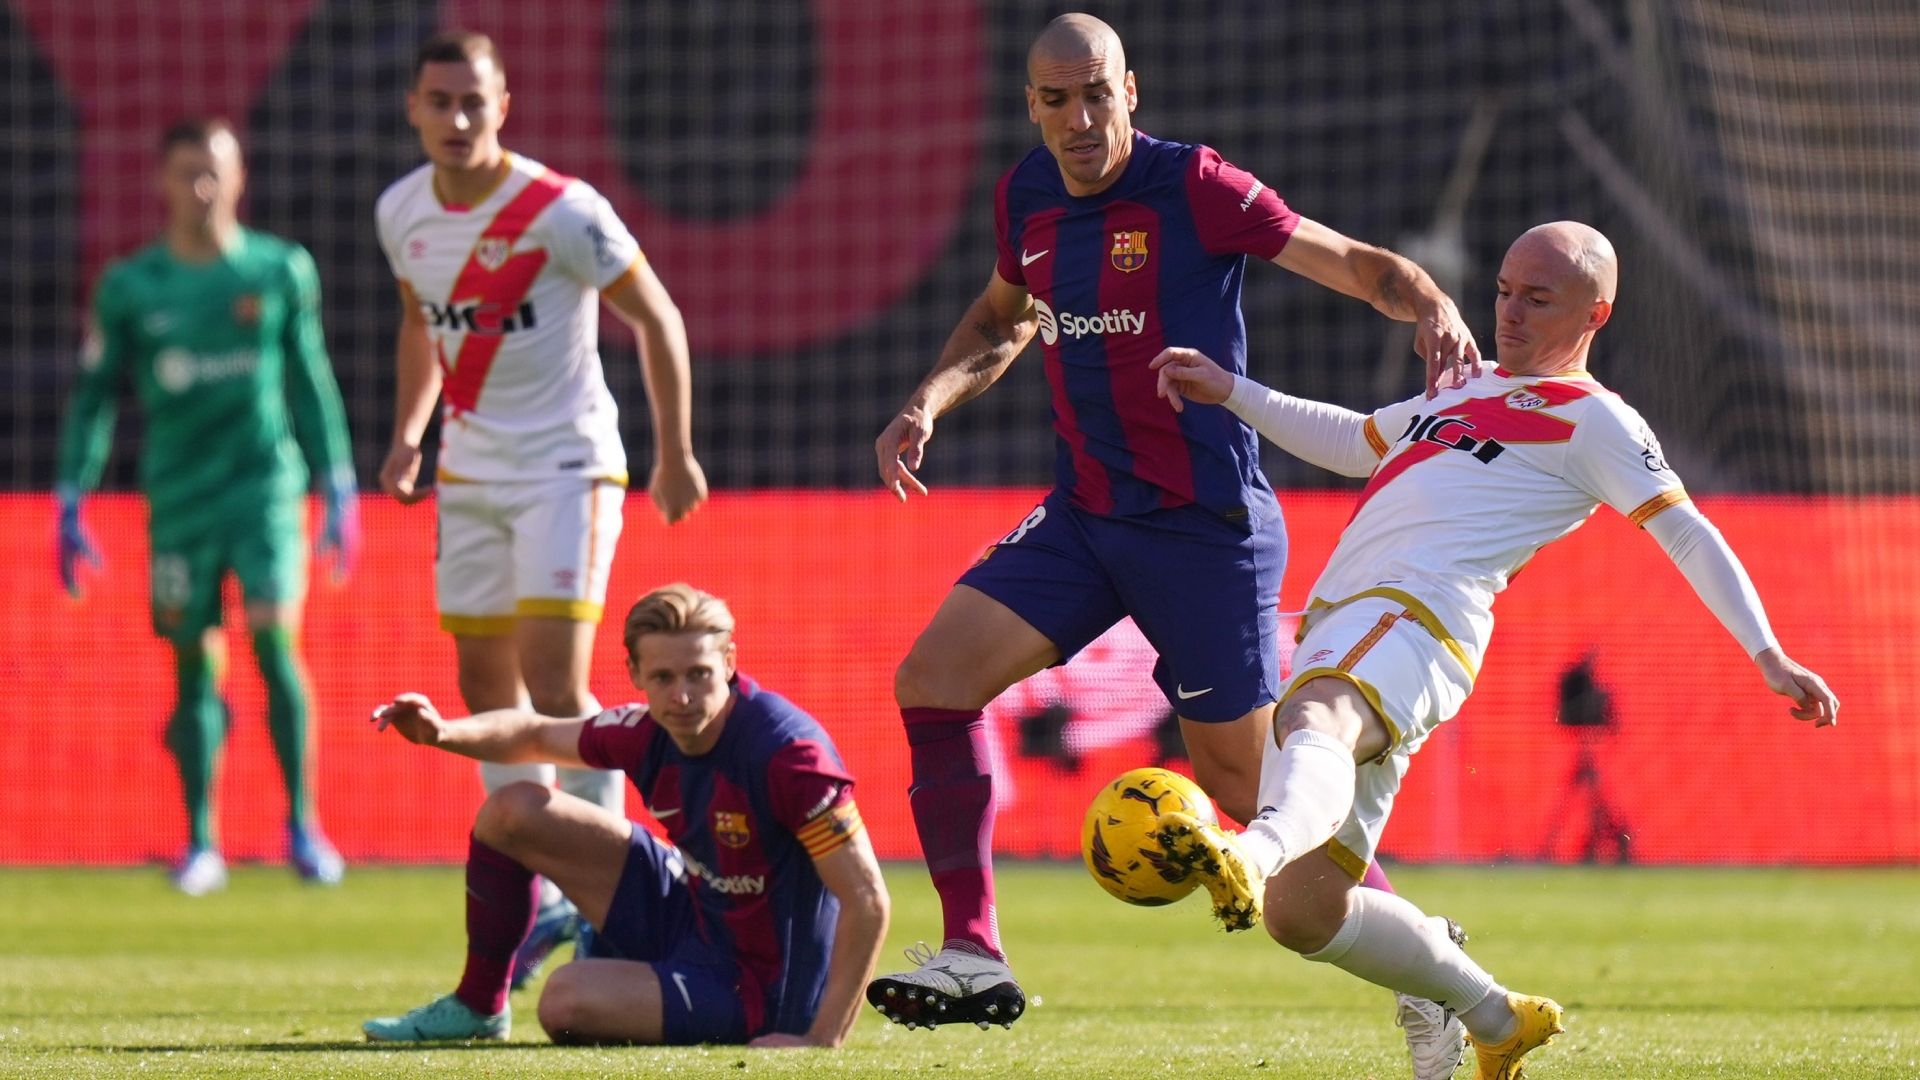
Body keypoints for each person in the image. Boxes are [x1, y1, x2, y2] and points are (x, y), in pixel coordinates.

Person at [867, 10, 1477, 1052]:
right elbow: (1001, 319)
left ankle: (1422, 956)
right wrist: (927, 400)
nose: (1078, 118)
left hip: (1206, 529)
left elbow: (1346, 260)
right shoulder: (1026, 196)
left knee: (1246, 785)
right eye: (1056, 99)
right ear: (1031, 106)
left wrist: (1427, 301)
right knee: (933, 680)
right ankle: (974, 952)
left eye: (1095, 93)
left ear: (1130, 92)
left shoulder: (1195, 184)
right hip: (1087, 517)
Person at [1149, 221, 1839, 1079]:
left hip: (1416, 616)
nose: (1509, 313)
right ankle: (1493, 1014)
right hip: (1357, 622)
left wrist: (1768, 653)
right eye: (1505, 290)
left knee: (1313, 717)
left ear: (1595, 313)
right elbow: (1357, 441)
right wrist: (1232, 391)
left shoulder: (1596, 421)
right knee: (1305, 915)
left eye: (1537, 300)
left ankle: (1249, 855)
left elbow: (1688, 533)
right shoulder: (1465, 384)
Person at [374, 30, 708, 973]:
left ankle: (611, 895)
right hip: (470, 473)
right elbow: (419, 324)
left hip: (567, 464)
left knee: (556, 682)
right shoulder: (401, 210)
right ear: (413, 109)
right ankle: (543, 892)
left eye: (474, 101)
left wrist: (675, 451)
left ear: (503, 106)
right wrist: (409, 433)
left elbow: (656, 315)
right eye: (440, 102)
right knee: (485, 688)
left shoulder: (562, 210)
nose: (458, 118)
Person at [361, 584, 890, 1047]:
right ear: (635, 673)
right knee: (512, 810)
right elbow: (536, 733)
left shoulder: (788, 755)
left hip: (761, 985)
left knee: (565, 1000)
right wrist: (441, 732)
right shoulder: (646, 732)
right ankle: (478, 1006)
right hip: (696, 913)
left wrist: (821, 1038)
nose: (682, 696)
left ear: (729, 663)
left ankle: (606, 950)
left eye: (699, 674)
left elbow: (867, 899)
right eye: (663, 677)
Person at [54, 117, 358, 896]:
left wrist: (336, 480)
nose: (201, 189)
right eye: (187, 173)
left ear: (238, 177)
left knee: (274, 640)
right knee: (192, 662)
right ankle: (201, 841)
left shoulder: (277, 269)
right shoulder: (131, 287)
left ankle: (302, 826)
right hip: (180, 499)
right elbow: (94, 397)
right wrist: (72, 491)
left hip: (264, 487)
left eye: (214, 172)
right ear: (162, 182)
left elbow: (310, 378)